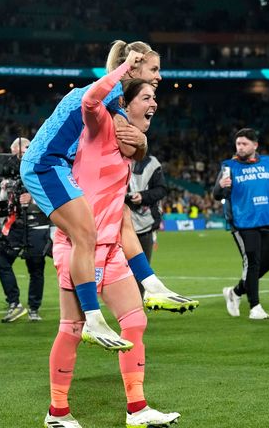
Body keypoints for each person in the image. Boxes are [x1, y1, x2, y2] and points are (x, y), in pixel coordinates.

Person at [44, 56, 180, 428]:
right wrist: (121, 71)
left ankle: (136, 409)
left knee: (135, 322)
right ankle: (57, 414)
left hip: (109, 249)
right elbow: (91, 102)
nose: (154, 103)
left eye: (155, 98)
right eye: (147, 97)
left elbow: (122, 223)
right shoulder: (100, 123)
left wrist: (151, 281)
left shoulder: (131, 151)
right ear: (126, 101)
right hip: (76, 247)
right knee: (71, 330)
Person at [214, 128, 269, 320]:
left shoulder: (266, 164)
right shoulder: (229, 167)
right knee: (253, 262)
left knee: (267, 261)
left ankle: (236, 292)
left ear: (255, 145)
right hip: (242, 222)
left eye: (244, 143)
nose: (240, 147)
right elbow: (217, 194)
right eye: (238, 143)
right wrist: (220, 187)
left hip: (265, 219)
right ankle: (255, 306)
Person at [0, 138, 49, 323]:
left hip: (37, 225)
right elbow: (3, 202)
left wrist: (32, 199)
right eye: (14, 151)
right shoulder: (8, 177)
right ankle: (14, 304)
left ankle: (34, 308)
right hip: (16, 225)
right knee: (1, 260)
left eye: (23, 148)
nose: (19, 153)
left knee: (35, 267)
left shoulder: (42, 169)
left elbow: (52, 197)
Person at [126, 155, 167, 264]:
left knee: (143, 272)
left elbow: (161, 190)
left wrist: (142, 196)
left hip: (145, 225)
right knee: (123, 271)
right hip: (121, 225)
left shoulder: (152, 163)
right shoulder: (115, 159)